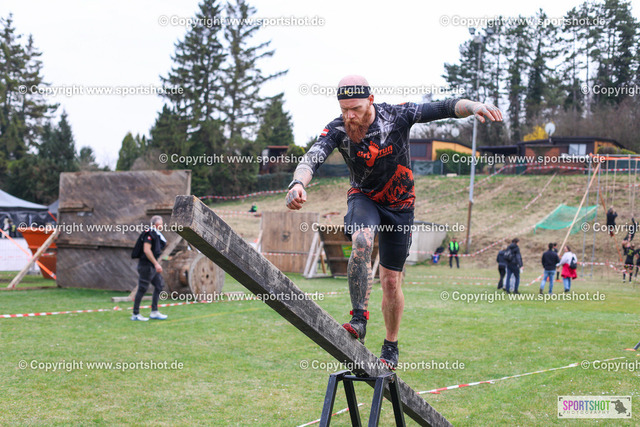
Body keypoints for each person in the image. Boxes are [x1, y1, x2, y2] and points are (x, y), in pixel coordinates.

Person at [285, 75, 502, 368]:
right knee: (361, 239)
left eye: (356, 109)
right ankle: (359, 318)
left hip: (400, 205)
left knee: (390, 280)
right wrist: (298, 183)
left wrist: (474, 106)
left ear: (370, 101)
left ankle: (391, 345)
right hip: (365, 198)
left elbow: (444, 107)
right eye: (344, 109)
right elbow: (312, 157)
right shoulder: (338, 128)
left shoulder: (397, 115)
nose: (350, 116)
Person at [131, 216, 169, 321]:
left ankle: (154, 312)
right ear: (157, 224)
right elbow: (146, 250)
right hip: (146, 266)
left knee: (159, 285)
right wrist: (156, 264)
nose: (162, 226)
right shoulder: (149, 234)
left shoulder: (156, 234)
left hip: (151, 265)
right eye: (161, 224)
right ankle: (135, 314)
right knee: (142, 288)